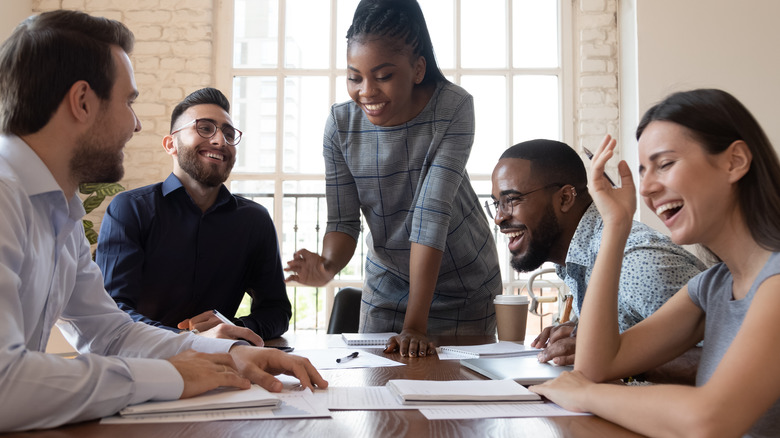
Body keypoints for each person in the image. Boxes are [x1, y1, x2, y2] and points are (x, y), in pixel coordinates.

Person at [0, 10, 325, 432]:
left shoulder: (57, 212)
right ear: (82, 102)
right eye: (129, 101)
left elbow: (110, 333)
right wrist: (172, 376)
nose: (135, 124)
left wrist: (229, 355)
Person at [529, 89, 780, 437]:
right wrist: (617, 224)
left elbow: (711, 420)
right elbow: (596, 365)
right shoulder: (714, 286)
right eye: (643, 171)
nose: (645, 188)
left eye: (665, 164)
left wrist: (587, 394)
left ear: (734, 161)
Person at [284, 0, 501, 358]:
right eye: (355, 77)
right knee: (383, 399)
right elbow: (342, 221)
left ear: (417, 69)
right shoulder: (340, 125)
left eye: (383, 76)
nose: (366, 91)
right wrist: (327, 266)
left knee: (456, 400)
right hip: (388, 285)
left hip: (464, 285)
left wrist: (415, 325)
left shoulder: (453, 108)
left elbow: (430, 217)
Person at [490, 139, 706, 379]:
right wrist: (582, 333)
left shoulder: (636, 263)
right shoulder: (576, 261)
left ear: (564, 199)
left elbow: (736, 359)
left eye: (512, 200)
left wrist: (609, 353)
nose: (499, 217)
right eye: (498, 203)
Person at [96, 87, 291, 344]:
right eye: (205, 128)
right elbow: (113, 311)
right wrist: (189, 339)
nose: (220, 141)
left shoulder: (255, 221)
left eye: (229, 134)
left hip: (226, 364)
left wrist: (232, 328)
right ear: (171, 144)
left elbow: (277, 311)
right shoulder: (130, 210)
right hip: (145, 365)